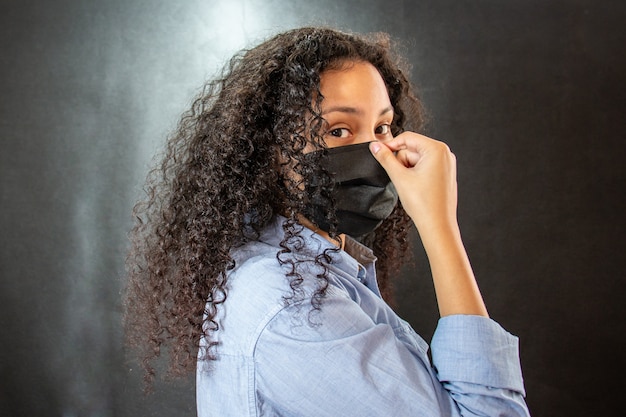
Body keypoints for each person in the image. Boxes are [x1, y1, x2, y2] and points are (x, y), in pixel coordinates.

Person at [123, 27, 530, 416]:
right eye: (338, 130)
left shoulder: (306, 269)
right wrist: (440, 227)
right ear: (270, 150)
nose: (375, 152)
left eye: (382, 127)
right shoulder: (294, 308)